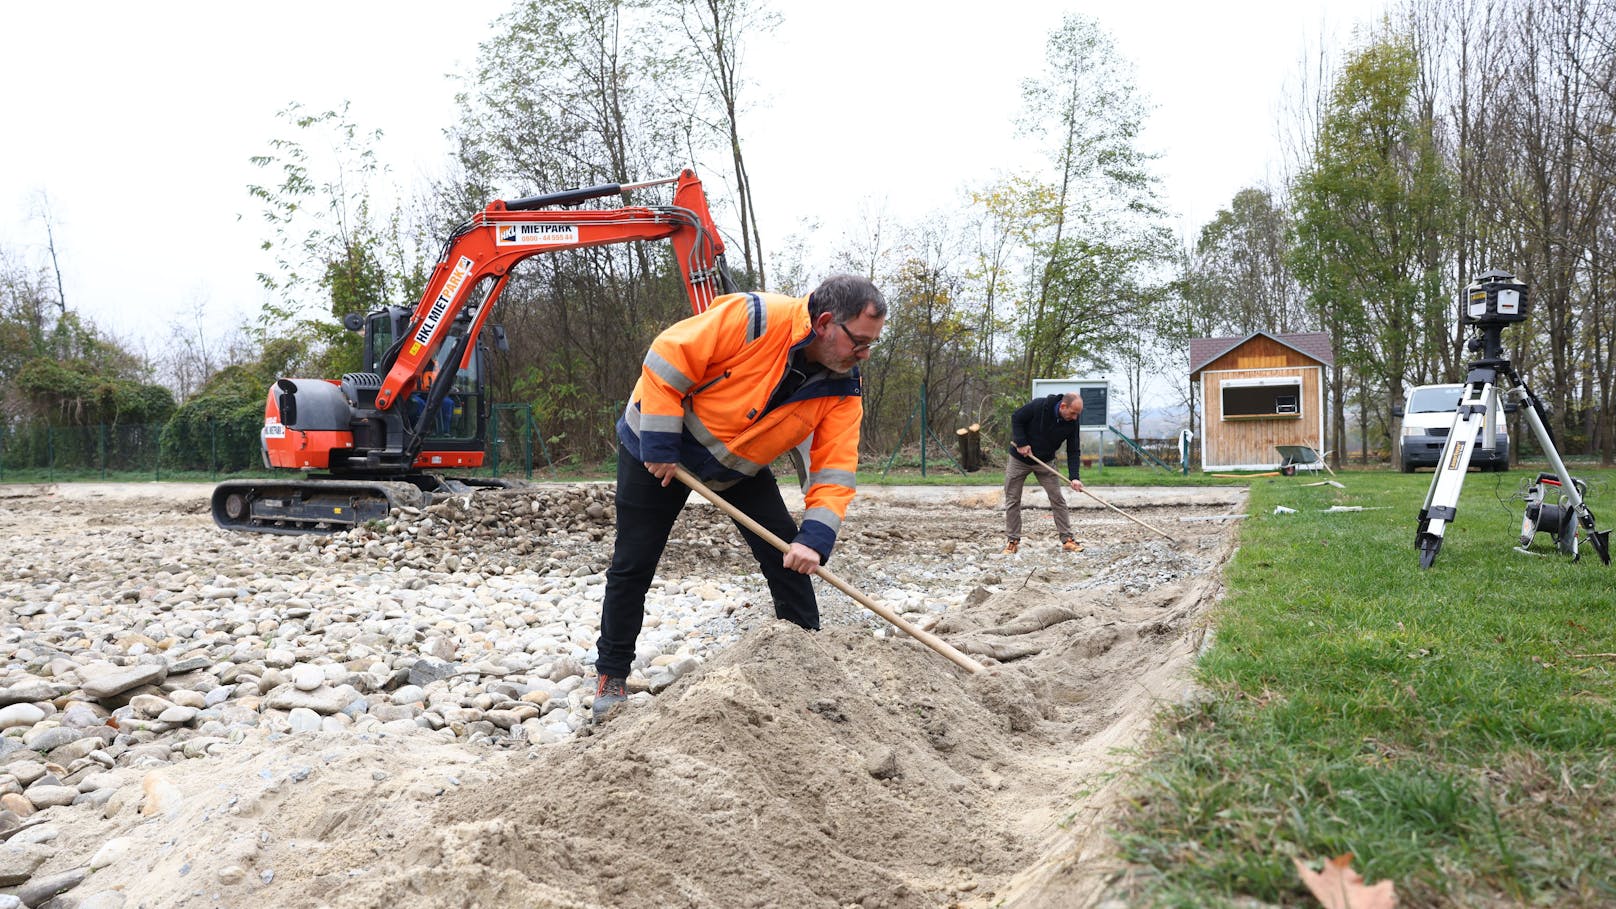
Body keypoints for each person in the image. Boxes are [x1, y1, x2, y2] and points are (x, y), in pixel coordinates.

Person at [592, 274, 887, 718]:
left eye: (870, 345)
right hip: (657, 447)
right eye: (859, 342)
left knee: (787, 554)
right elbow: (668, 356)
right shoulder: (753, 317)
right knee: (634, 562)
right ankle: (611, 677)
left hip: (738, 466)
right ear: (825, 323)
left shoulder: (843, 388)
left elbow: (834, 469)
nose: (863, 354)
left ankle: (806, 666)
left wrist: (816, 540)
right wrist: (659, 443)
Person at [1002, 392, 1086, 554]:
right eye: (1073, 413)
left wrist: (1074, 477)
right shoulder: (1039, 406)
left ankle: (1067, 539)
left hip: (1046, 463)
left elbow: (1073, 450)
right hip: (1019, 460)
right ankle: (1012, 540)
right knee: (1012, 499)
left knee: (1057, 499)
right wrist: (1022, 442)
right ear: (1063, 406)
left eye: (1077, 414)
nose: (1075, 417)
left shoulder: (1072, 423)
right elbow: (1017, 417)